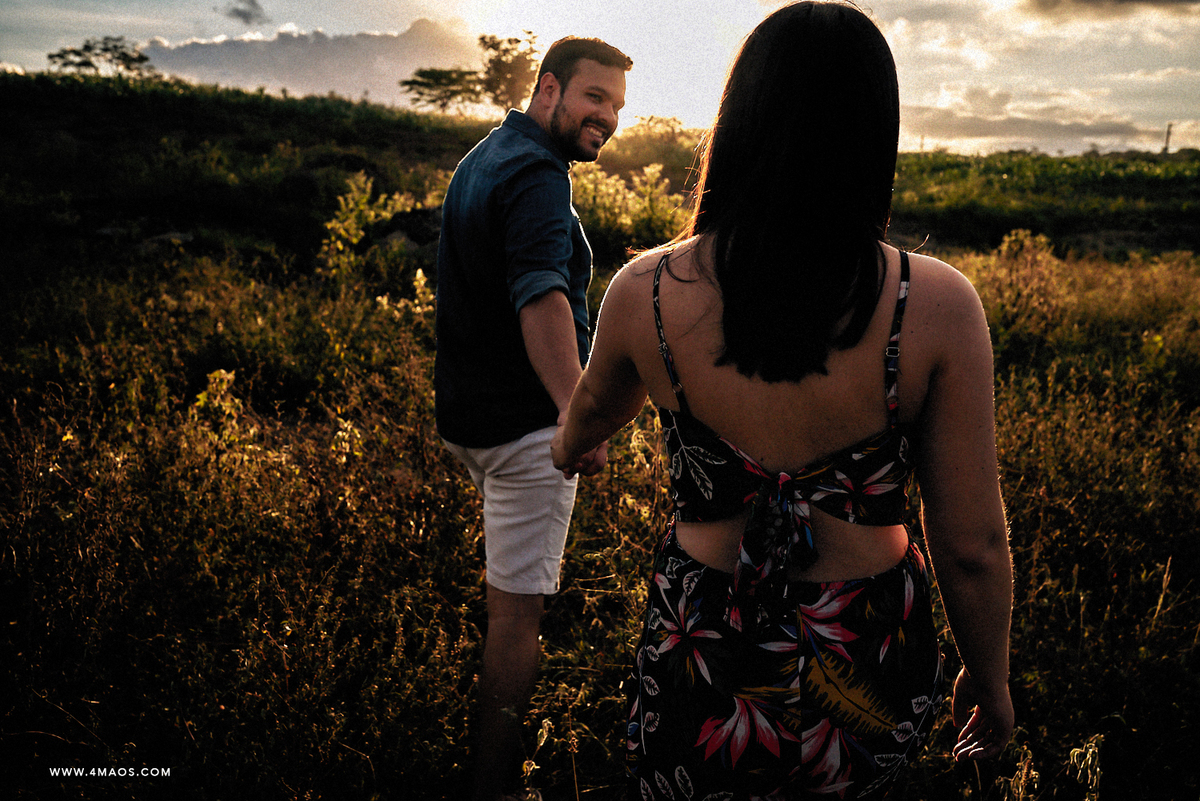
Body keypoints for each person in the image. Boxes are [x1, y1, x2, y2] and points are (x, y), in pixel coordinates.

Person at [550, 3, 1013, 798]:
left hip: (703, 639)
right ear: (875, 129)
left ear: (739, 119)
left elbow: (582, 423)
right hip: (866, 647)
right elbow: (972, 543)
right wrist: (992, 683)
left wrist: (571, 444)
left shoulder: (646, 291)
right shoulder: (935, 304)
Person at [433, 35, 633, 801]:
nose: (607, 117)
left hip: (470, 420)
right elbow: (542, 296)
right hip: (525, 434)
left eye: (616, 104)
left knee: (498, 602)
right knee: (516, 625)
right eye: (594, 98)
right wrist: (578, 416)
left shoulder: (484, 157)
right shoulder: (541, 176)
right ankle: (491, 784)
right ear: (548, 88)